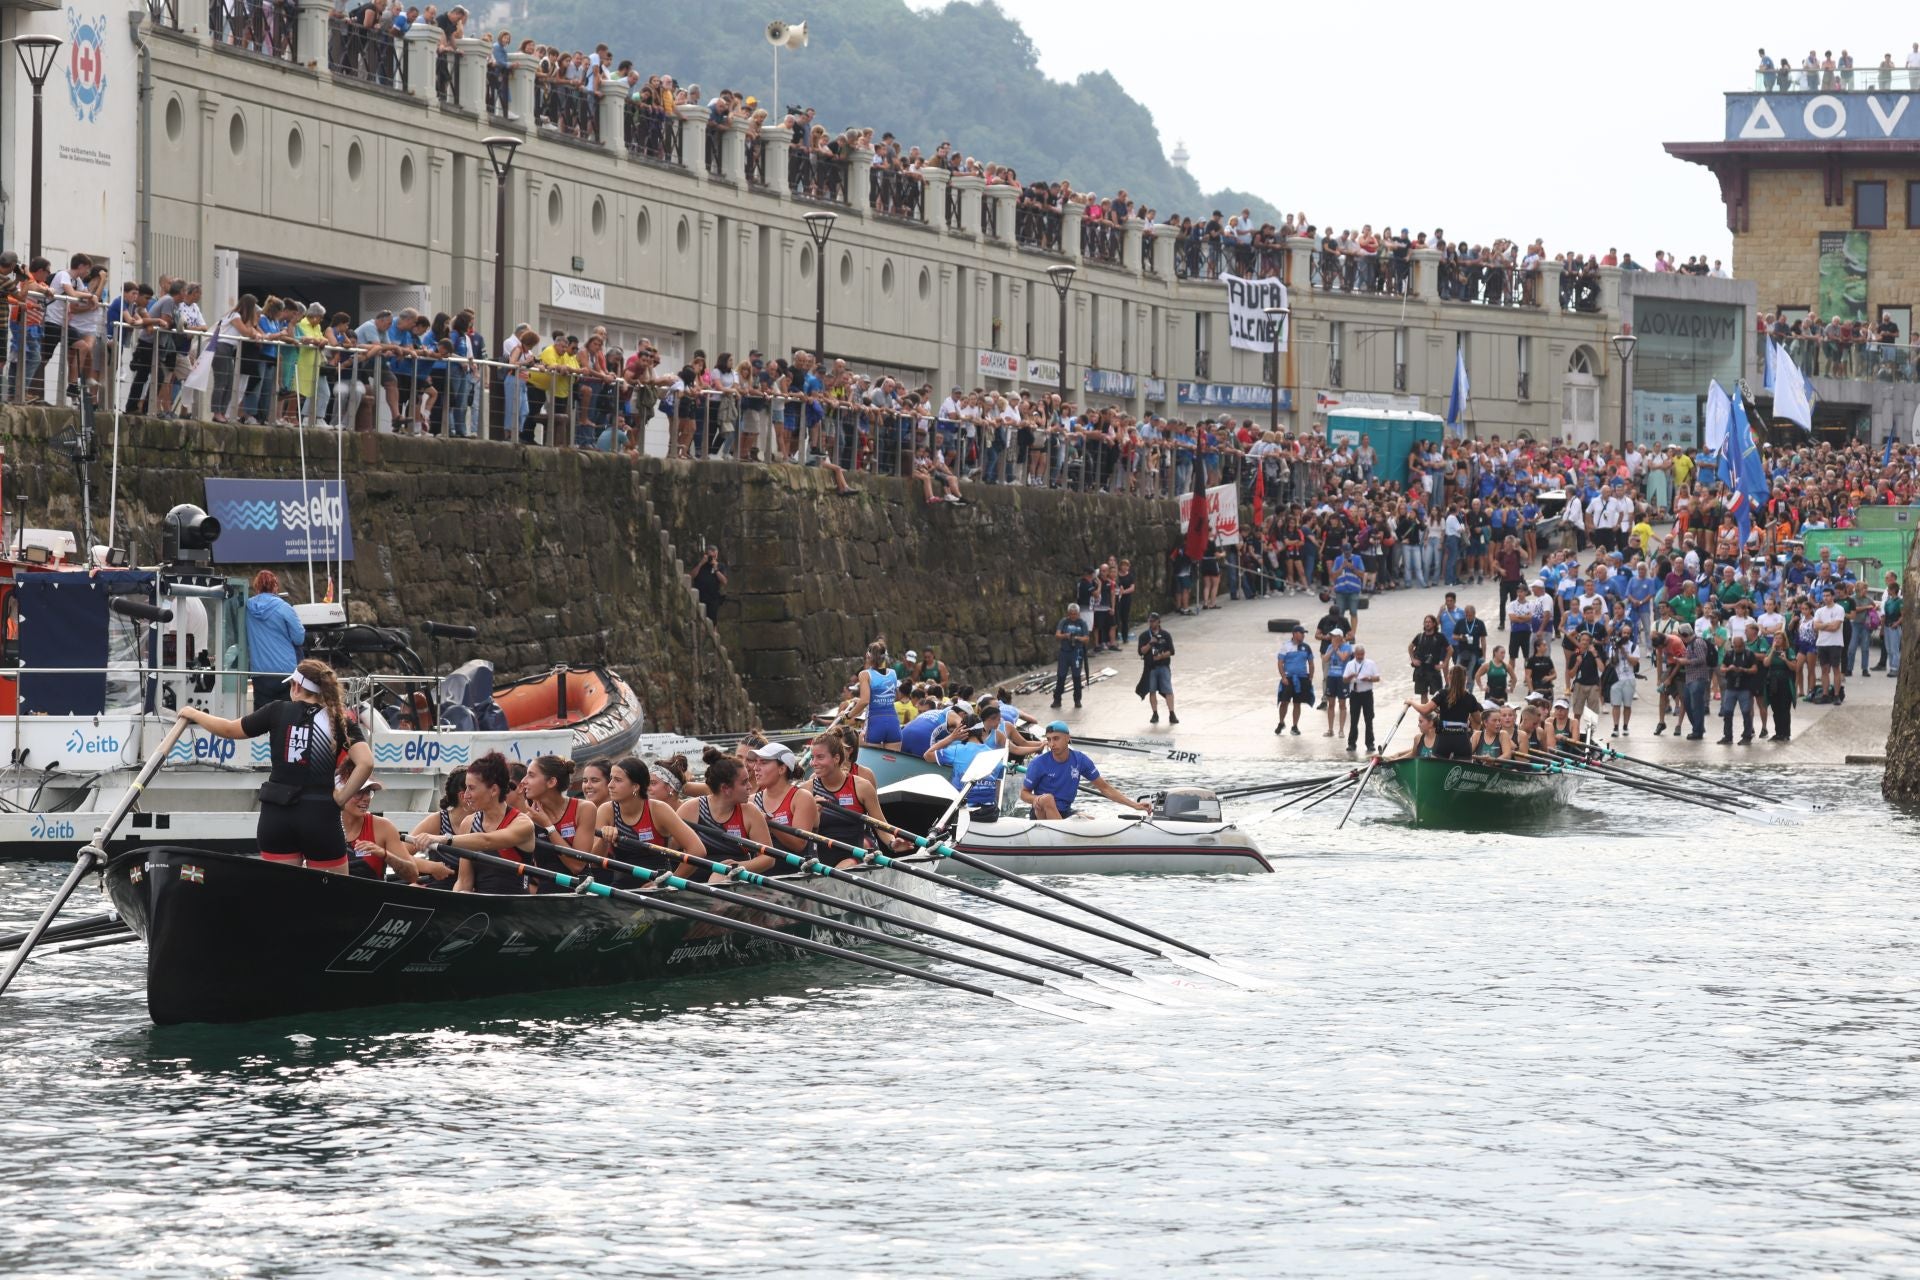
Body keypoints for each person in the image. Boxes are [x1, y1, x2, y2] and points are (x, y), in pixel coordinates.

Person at [176, 658, 368, 871]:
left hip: (277, 816)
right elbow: (366, 763)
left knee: (279, 897)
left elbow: (229, 730)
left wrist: (193, 713)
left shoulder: (277, 711)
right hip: (319, 815)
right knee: (332, 898)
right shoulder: (339, 720)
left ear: (296, 686)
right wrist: (342, 797)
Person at [403, 752, 537, 894]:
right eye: (466, 788)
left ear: (493, 790)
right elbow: (464, 881)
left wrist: (441, 839)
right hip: (480, 909)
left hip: (516, 910)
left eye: (471, 788)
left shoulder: (523, 824)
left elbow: (487, 841)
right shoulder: (469, 823)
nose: (466, 795)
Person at [592, 757, 705, 884]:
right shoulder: (607, 810)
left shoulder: (658, 810)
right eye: (611, 778)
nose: (610, 785)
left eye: (617, 780)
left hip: (657, 888)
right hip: (621, 888)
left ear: (635, 786)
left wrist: (670, 882)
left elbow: (697, 850)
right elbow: (595, 863)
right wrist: (603, 840)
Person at [809, 731, 908, 865]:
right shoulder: (807, 789)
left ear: (836, 758)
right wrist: (815, 817)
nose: (813, 763)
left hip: (857, 853)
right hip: (821, 855)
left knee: (843, 867)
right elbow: (803, 835)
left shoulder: (862, 786)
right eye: (812, 757)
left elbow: (879, 824)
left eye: (820, 757)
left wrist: (892, 843)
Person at [1020, 721, 1150, 820]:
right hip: (1041, 812)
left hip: (1064, 811)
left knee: (1089, 820)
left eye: (1056, 738)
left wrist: (1135, 805)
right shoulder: (1038, 763)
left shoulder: (1080, 760)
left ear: (1067, 738)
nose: (1052, 744)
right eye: (1049, 739)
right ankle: (1062, 844)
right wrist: (1036, 799)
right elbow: (1024, 794)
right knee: (1047, 799)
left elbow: (1105, 788)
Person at [679, 755, 778, 875]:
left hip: (734, 881)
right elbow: (670, 850)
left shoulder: (750, 812)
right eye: (744, 782)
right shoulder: (690, 809)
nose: (750, 787)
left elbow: (769, 858)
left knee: (719, 875)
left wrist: (738, 866)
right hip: (693, 883)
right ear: (725, 788)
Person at [244, 569, 306, 709]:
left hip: (260, 673)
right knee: (286, 715)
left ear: (257, 587)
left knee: (260, 718)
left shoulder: (247, 608)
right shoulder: (284, 607)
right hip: (285, 672)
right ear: (275, 587)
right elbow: (299, 638)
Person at [924, 714, 1005, 819]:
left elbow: (927, 755)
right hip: (989, 814)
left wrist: (951, 737)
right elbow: (997, 790)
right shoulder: (996, 756)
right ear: (982, 731)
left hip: (963, 813)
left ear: (962, 731)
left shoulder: (956, 750)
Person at [341, 781, 420, 884]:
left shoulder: (383, 827)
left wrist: (384, 854)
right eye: (359, 792)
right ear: (340, 793)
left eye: (368, 792)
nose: (366, 798)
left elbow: (413, 876)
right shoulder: (324, 825)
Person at [751, 741, 821, 855]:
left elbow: (799, 845)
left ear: (782, 769)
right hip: (763, 869)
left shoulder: (802, 798)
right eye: (756, 762)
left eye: (763, 762)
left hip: (797, 870)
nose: (756, 768)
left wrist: (770, 823)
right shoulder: (751, 801)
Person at [1403, 664, 1481, 759]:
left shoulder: (1442, 694)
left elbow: (1425, 710)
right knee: (1464, 767)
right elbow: (1478, 720)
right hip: (1462, 740)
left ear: (1448, 677)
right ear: (1466, 679)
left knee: (1436, 766)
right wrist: (1469, 727)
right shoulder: (1470, 698)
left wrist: (1411, 702)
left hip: (1444, 739)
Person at [851, 641, 902, 749]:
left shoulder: (865, 674)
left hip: (875, 721)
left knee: (870, 763)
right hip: (893, 721)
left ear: (868, 655)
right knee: (891, 763)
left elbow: (865, 701)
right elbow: (896, 697)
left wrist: (848, 715)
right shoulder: (893, 673)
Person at [1136, 612, 1178, 725]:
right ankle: (1155, 713)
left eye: (1153, 621)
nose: (1151, 623)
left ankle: (1172, 713)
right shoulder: (1144, 636)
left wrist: (1161, 656)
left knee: (1168, 690)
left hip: (1163, 666)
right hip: (1150, 668)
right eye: (1150, 621)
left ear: (1159, 621)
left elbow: (1172, 651)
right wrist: (1150, 643)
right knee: (1152, 691)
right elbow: (1141, 651)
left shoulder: (1166, 635)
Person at [1718, 634, 1759, 745]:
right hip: (1731, 687)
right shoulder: (1729, 654)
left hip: (1745, 687)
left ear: (1743, 645)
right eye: (1735, 647)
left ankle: (1747, 736)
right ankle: (1727, 736)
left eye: (1740, 646)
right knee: (1727, 712)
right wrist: (1728, 668)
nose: (1737, 649)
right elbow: (1721, 668)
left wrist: (1744, 670)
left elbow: (1755, 669)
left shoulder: (1749, 654)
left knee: (1746, 712)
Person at [1276, 624, 1316, 736]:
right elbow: (1280, 663)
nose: (1303, 635)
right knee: (1284, 702)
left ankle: (1295, 726)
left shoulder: (1306, 647)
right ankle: (1281, 722)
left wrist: (1311, 678)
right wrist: (1283, 677)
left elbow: (1311, 663)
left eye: (1304, 633)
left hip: (1302, 678)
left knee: (1297, 703)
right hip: (1288, 678)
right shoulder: (1285, 646)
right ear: (1294, 634)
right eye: (1301, 633)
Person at [1342, 643, 1381, 753]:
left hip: (1367, 694)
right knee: (1354, 720)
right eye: (1358, 654)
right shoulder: (1350, 664)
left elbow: (1377, 678)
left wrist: (1368, 678)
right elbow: (1344, 680)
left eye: (1362, 654)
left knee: (1369, 719)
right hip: (1355, 694)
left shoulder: (1370, 663)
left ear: (1364, 654)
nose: (1360, 656)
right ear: (1354, 654)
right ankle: (1351, 743)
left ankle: (1370, 744)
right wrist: (1351, 676)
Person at [1051, 602, 1090, 709]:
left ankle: (1077, 700)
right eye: (1071, 613)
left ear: (1078, 614)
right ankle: (1057, 699)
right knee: (1061, 676)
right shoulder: (1063, 622)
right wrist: (1065, 636)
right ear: (1068, 613)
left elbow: (1086, 638)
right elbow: (1057, 635)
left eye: (1075, 613)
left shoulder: (1082, 623)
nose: (1073, 616)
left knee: (1076, 677)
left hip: (1077, 652)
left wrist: (1077, 638)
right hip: (1064, 652)